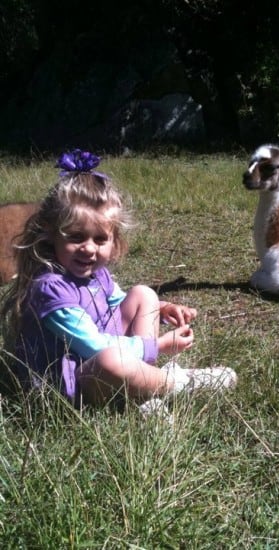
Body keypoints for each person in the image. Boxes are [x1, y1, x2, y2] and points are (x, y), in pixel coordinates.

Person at [0, 149, 237, 413]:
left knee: (144, 295)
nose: (89, 249)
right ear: (51, 235)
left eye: (100, 239)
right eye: (76, 237)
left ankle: (143, 385)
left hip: (96, 365)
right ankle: (178, 382)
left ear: (114, 241)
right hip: (67, 388)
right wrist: (158, 345)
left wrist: (162, 307)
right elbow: (94, 346)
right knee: (112, 359)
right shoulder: (50, 289)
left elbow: (120, 300)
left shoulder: (96, 274)